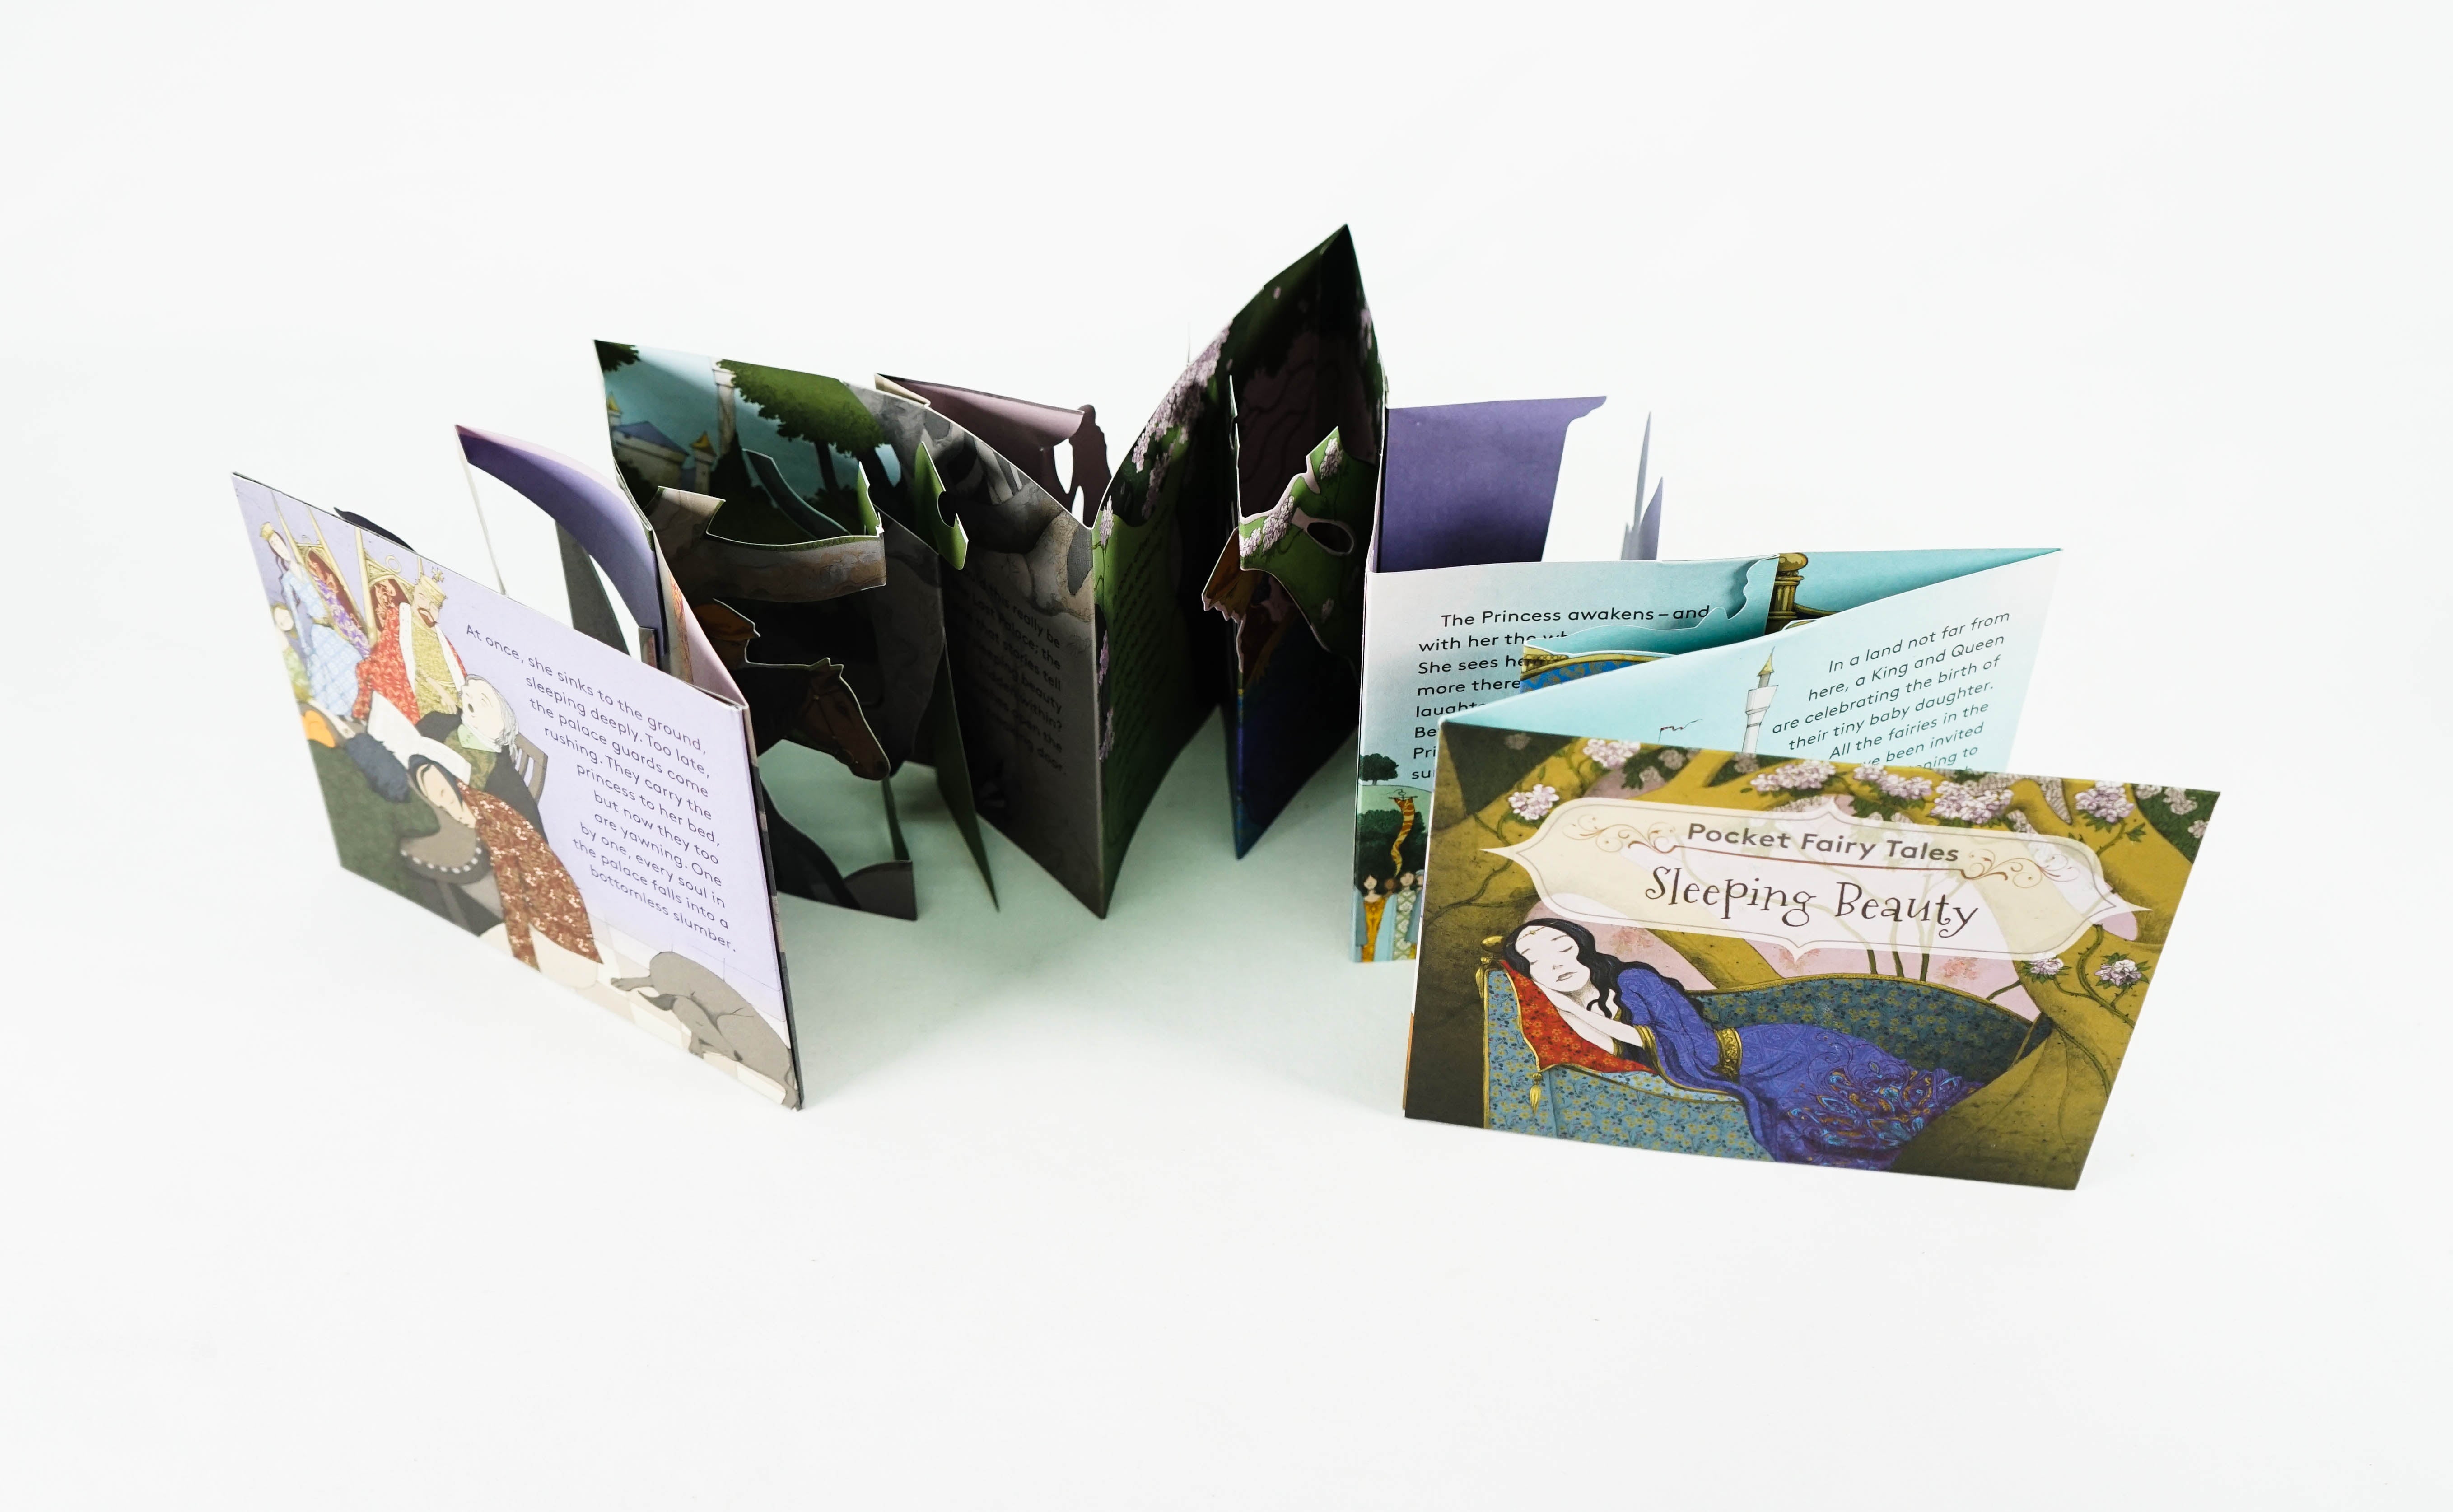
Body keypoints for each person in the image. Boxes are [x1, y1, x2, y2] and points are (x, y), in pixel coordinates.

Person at [1501, 918, 1983, 1170]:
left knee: (1882, 1098)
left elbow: (1698, 1050)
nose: (1555, 960)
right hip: (1746, 1066)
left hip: (1778, 1051)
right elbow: (1607, 1050)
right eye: (1536, 958)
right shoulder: (1567, 1015)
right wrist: (1563, 1007)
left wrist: (1573, 1010)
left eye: (1561, 946)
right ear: (1529, 975)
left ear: (1581, 948)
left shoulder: (1635, 982)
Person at [407, 756, 600, 983]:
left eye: (444, 794)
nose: (447, 807)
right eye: (438, 804)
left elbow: (520, 887)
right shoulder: (464, 826)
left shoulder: (490, 816)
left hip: (552, 923)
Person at [262, 525, 366, 720]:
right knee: (335, 672)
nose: (279, 547)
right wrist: (304, 644)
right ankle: (349, 712)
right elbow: (295, 614)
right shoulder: (287, 580)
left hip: (334, 625)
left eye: (279, 542)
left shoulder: (307, 569)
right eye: (274, 545)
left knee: (352, 660)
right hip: (319, 631)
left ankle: (360, 706)